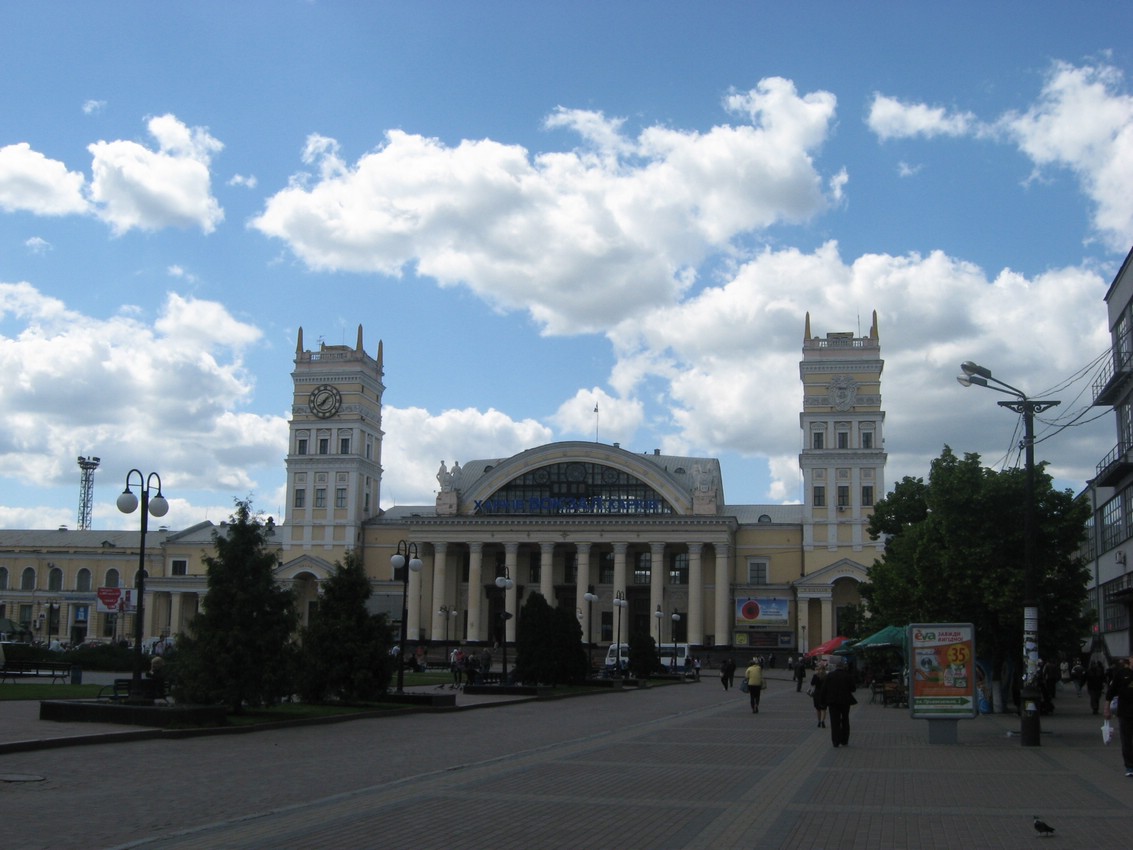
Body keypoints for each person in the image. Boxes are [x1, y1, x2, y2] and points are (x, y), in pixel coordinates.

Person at [1102, 657, 1133, 777]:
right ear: (1130, 660)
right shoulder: (1122, 674)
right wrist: (1107, 709)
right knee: (1127, 741)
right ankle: (1130, 766)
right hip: (1125, 713)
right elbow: (1111, 692)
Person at [820, 657, 857, 747]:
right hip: (845, 701)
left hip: (833, 702)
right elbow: (853, 689)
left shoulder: (830, 675)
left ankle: (835, 741)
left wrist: (823, 701)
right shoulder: (848, 676)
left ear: (836, 667)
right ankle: (844, 740)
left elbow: (824, 689)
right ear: (843, 667)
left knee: (834, 721)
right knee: (845, 720)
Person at [810, 661, 829, 728]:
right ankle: (822, 721)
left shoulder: (816, 675)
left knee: (818, 709)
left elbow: (812, 683)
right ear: (824, 669)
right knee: (823, 709)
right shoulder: (826, 676)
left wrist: (815, 674)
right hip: (824, 694)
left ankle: (818, 722)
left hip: (817, 693)